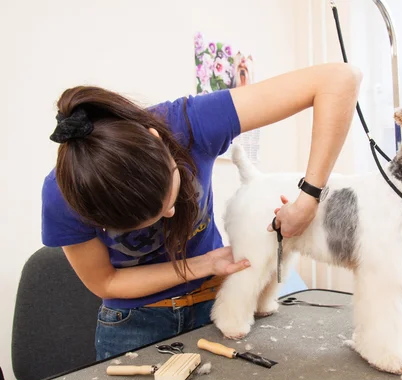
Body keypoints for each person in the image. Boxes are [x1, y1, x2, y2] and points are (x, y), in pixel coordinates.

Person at [41, 63, 362, 360]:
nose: (170, 215)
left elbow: (339, 79)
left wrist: (309, 197)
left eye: (170, 198)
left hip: (213, 298)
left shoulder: (191, 124)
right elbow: (107, 282)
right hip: (133, 324)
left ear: (160, 142)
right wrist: (203, 263)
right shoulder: (62, 196)